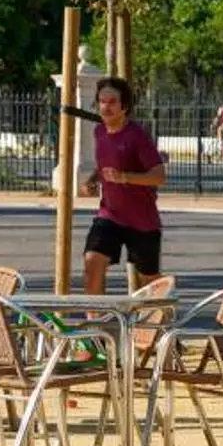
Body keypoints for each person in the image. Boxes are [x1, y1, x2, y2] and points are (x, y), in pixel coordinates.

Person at [81, 77, 166, 296]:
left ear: (124, 106)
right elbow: (105, 166)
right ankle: (96, 322)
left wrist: (125, 177)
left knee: (148, 282)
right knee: (92, 260)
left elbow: (159, 176)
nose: (105, 107)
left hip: (142, 221)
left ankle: (162, 315)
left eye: (111, 102)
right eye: (101, 101)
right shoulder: (100, 132)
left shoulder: (137, 136)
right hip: (110, 214)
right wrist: (93, 180)